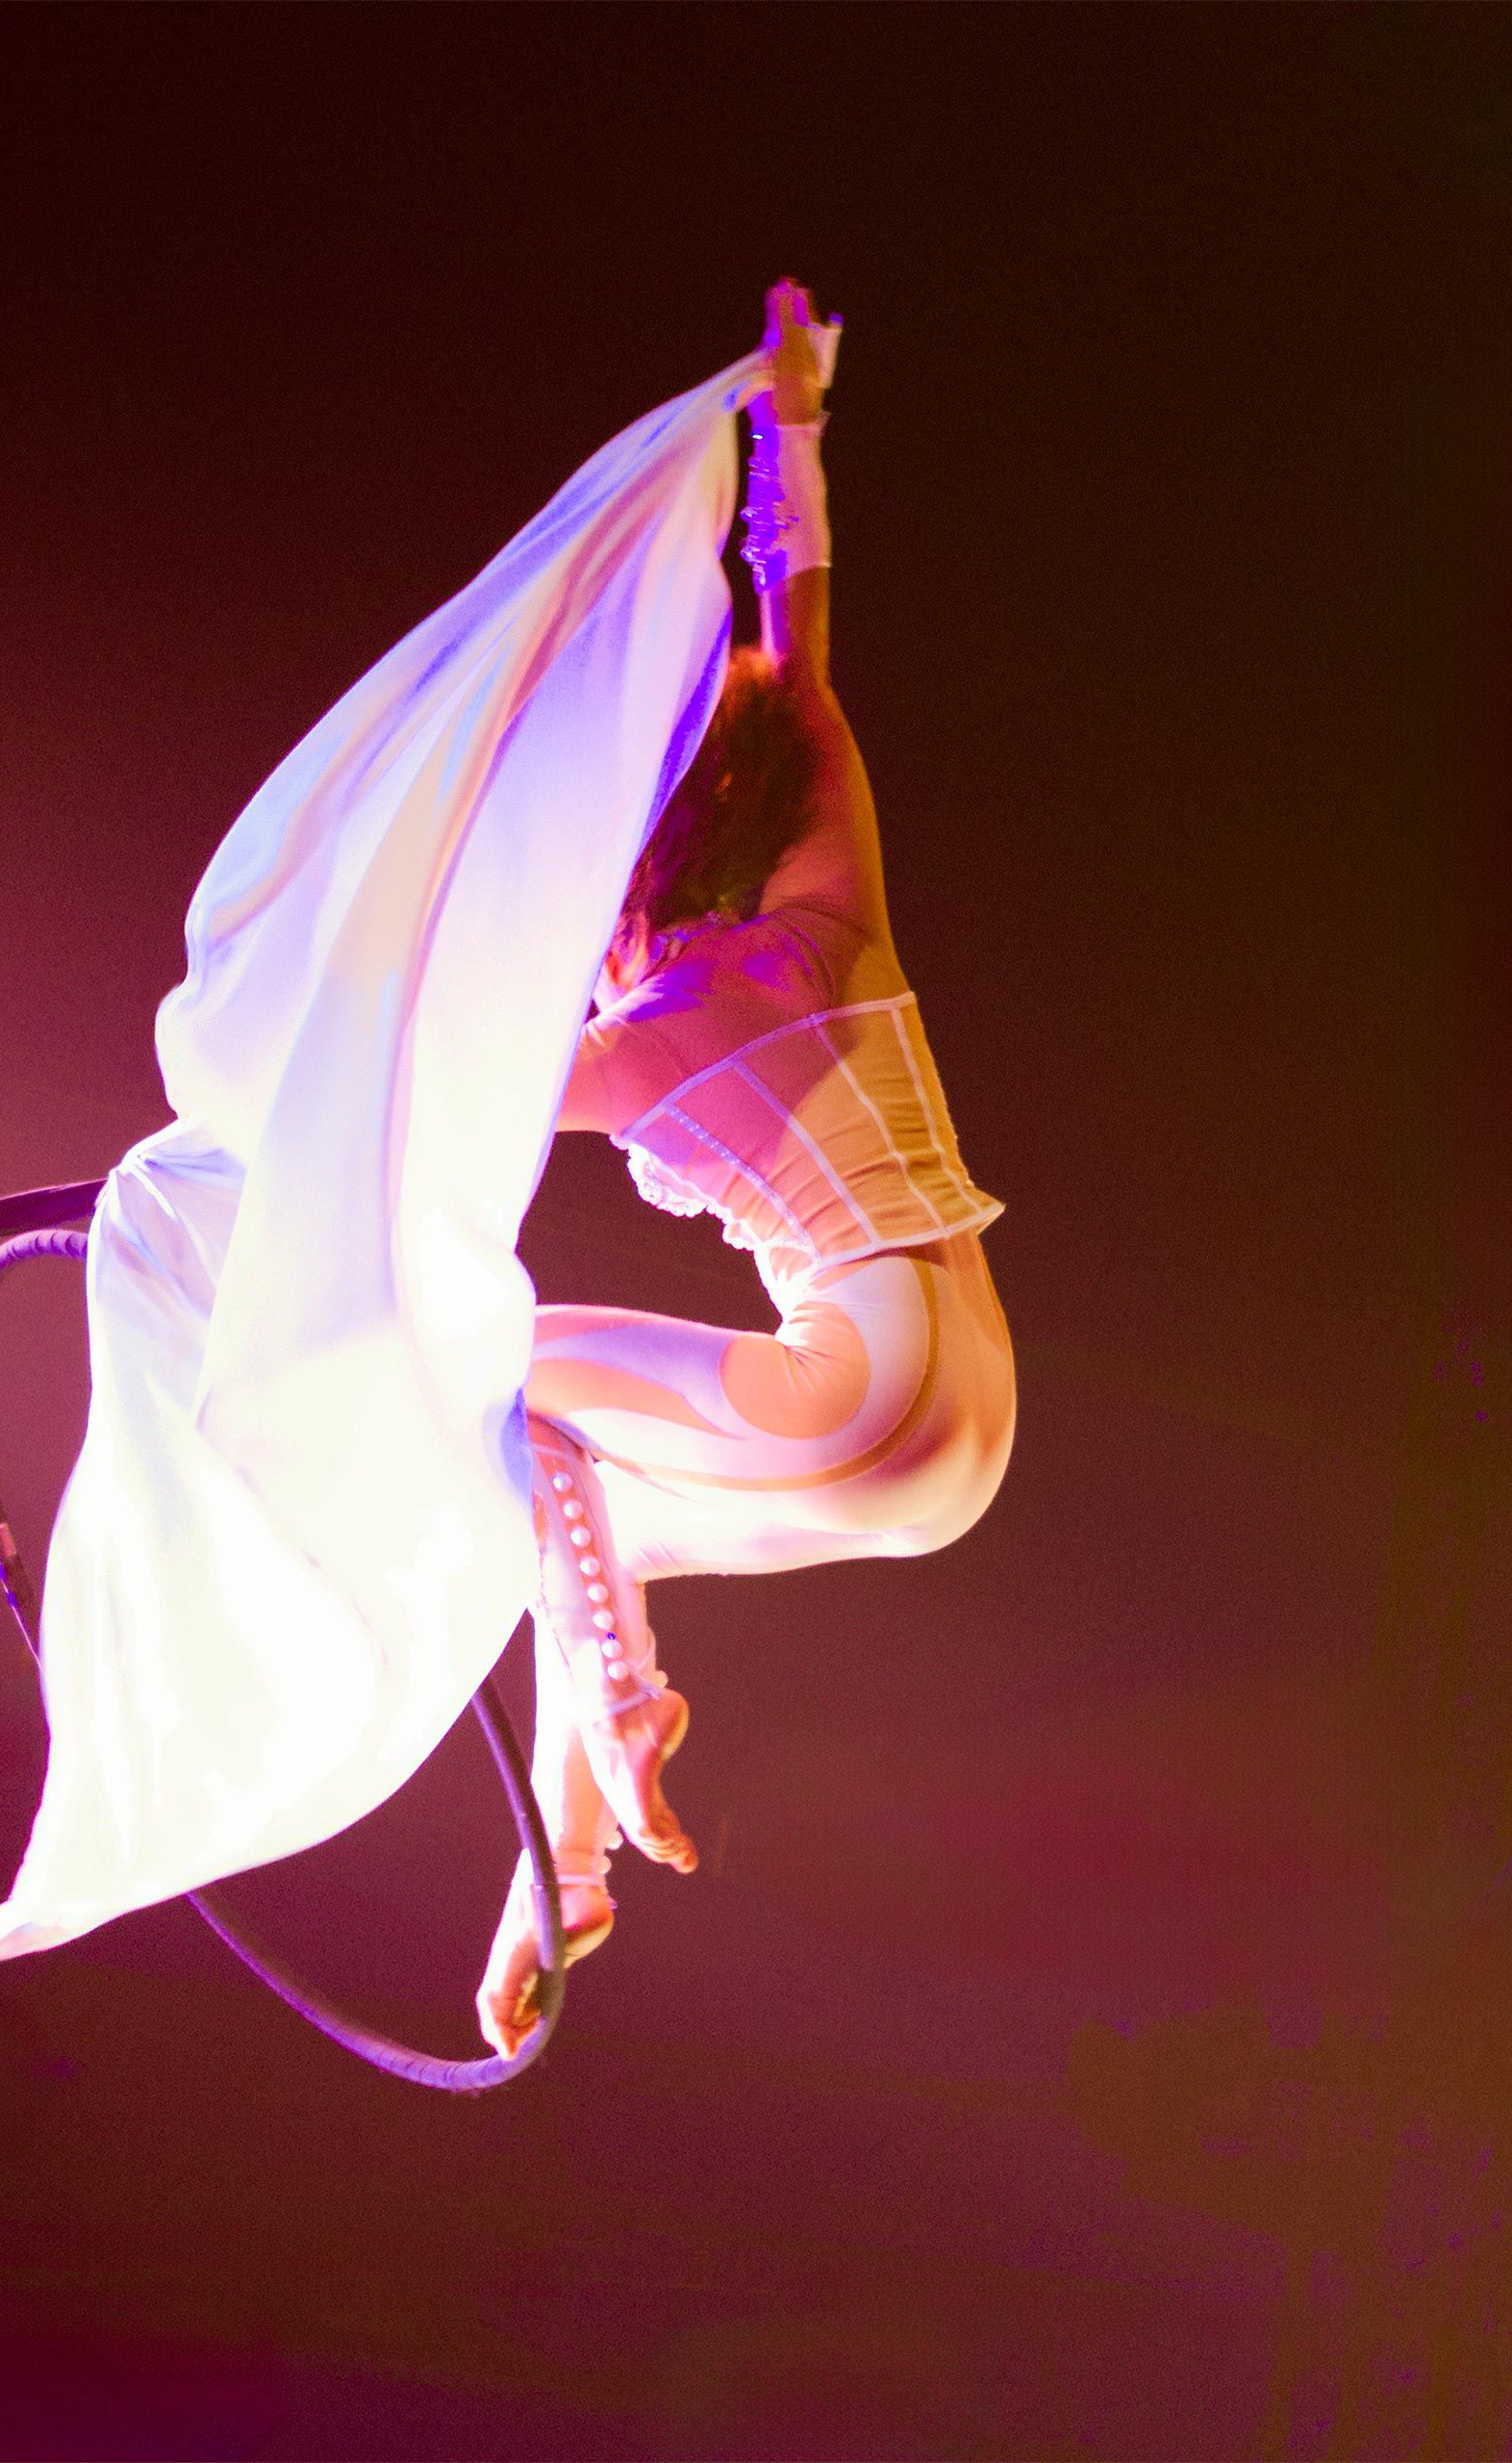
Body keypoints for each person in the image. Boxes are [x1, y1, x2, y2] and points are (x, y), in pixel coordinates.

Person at [476, 281, 1015, 2057]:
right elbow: (800, 635)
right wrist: (790, 427)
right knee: (570, 1517)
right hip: (962, 1411)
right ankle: (563, 1864)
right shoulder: (826, 904)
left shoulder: (629, 1042)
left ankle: (621, 1734)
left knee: (498, 1381)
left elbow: (430, 1113)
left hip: (874, 1428)